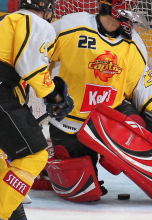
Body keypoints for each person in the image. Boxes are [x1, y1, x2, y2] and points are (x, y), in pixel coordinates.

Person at [42, 0, 152, 205]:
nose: (133, 14)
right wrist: (47, 91)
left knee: (136, 129)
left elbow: (143, 85)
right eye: (129, 6)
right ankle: (46, 164)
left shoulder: (133, 43)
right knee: (81, 189)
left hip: (111, 121)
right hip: (69, 121)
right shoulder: (69, 27)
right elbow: (34, 58)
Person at [0, 0, 74, 219]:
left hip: (5, 91)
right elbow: (30, 65)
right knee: (34, 155)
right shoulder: (36, 22)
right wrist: (54, 95)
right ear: (47, 8)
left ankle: (13, 212)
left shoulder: (7, 21)